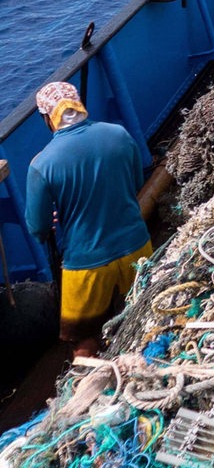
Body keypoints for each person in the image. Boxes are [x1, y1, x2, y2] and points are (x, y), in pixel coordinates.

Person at [25, 82, 152, 357]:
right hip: (137, 248)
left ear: (48, 117)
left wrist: (59, 215)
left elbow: (38, 228)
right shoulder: (119, 134)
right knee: (149, 317)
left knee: (83, 341)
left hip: (86, 266)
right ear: (78, 104)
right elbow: (136, 182)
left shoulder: (41, 164)